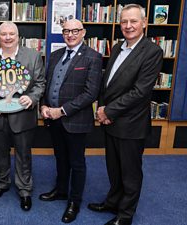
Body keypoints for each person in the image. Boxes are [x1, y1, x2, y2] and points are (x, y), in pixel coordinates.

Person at [88, 4, 163, 225]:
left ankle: (125, 215)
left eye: (133, 21)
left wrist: (108, 111)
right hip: (110, 121)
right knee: (113, 167)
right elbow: (106, 84)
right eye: (124, 22)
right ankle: (112, 202)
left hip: (131, 125)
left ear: (144, 23)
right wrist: (102, 110)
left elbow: (140, 92)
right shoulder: (119, 47)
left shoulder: (152, 52)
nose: (128, 26)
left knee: (130, 173)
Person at [38, 19, 102, 223]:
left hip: (76, 121)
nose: (70, 34)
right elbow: (47, 84)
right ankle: (61, 190)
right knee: (60, 158)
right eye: (66, 31)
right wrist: (44, 106)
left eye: (75, 31)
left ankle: (75, 202)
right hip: (53, 120)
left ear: (83, 32)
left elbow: (90, 93)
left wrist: (62, 111)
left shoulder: (93, 57)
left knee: (77, 163)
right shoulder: (56, 55)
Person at [0, 21, 45, 211]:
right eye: (4, 34)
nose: (8, 37)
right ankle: (2, 183)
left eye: (12, 34)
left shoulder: (33, 56)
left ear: (18, 36)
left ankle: (25, 189)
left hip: (23, 117)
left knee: (23, 155)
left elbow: (40, 84)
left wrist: (32, 98)